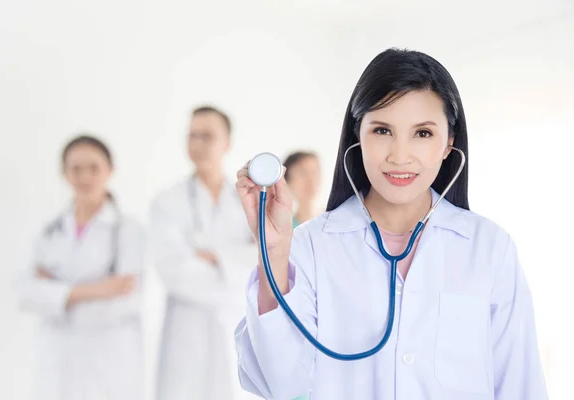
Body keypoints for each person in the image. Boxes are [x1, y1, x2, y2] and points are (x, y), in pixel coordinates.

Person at [233, 49, 547, 399]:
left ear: (449, 143)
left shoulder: (489, 247)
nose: (400, 155)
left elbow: (520, 384)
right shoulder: (311, 245)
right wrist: (274, 253)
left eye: (423, 134)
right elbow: (282, 384)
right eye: (382, 130)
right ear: (358, 135)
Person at [16, 135, 145, 400]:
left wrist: (56, 293)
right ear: (64, 173)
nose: (84, 177)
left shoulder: (129, 231)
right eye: (75, 169)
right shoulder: (48, 231)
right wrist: (98, 289)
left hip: (109, 360)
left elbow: (128, 299)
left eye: (94, 168)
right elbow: (25, 293)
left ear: (110, 170)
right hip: (57, 360)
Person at [151, 106, 259, 400]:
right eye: (192, 135)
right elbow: (173, 270)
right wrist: (233, 265)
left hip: (236, 324)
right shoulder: (167, 201)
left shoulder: (248, 199)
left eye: (207, 136)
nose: (198, 143)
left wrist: (213, 257)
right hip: (187, 331)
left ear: (227, 143)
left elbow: (262, 260)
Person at [282, 151, 322, 228]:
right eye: (302, 173)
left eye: (314, 172)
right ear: (287, 181)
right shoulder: (285, 229)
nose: (311, 180)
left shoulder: (334, 221)